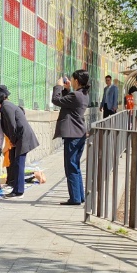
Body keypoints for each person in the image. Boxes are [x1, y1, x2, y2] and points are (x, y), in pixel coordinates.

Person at [0, 85, 40, 198]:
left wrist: (12, 140)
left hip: (22, 138)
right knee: (16, 164)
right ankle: (16, 188)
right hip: (19, 138)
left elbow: (12, 125)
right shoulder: (5, 107)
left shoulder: (6, 107)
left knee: (19, 164)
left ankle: (18, 191)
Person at [53, 70, 90, 206]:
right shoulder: (83, 94)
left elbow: (56, 100)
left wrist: (58, 86)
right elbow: (68, 103)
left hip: (73, 135)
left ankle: (75, 198)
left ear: (77, 81)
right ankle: (79, 196)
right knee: (75, 165)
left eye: (73, 79)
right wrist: (67, 90)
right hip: (79, 134)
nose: (72, 81)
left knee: (71, 166)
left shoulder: (76, 95)